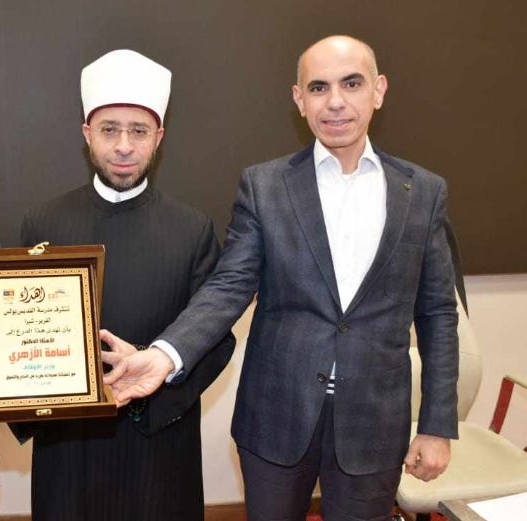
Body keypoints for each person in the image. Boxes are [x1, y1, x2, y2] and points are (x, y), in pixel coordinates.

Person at [102, 36, 460, 521]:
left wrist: (437, 424)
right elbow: (228, 286)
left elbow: (438, 314)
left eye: (351, 84)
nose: (335, 101)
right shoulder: (264, 186)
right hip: (275, 419)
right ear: (299, 99)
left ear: (378, 90)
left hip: (374, 424)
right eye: (318, 87)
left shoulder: (424, 193)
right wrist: (164, 355)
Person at [19, 49, 235, 521]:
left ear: (158, 137)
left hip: (159, 443)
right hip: (68, 448)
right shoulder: (43, 223)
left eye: (138, 131)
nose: (123, 146)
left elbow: (217, 340)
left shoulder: (193, 229)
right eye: (109, 129)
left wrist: (148, 392)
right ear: (87, 135)